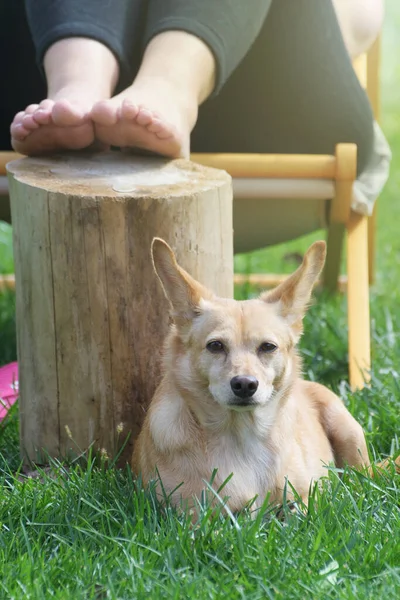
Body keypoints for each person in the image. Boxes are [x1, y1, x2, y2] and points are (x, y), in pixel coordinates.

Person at [3, 1, 383, 170]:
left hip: (273, 108)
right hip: (34, 76)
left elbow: (360, 20)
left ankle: (168, 86)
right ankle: (79, 86)